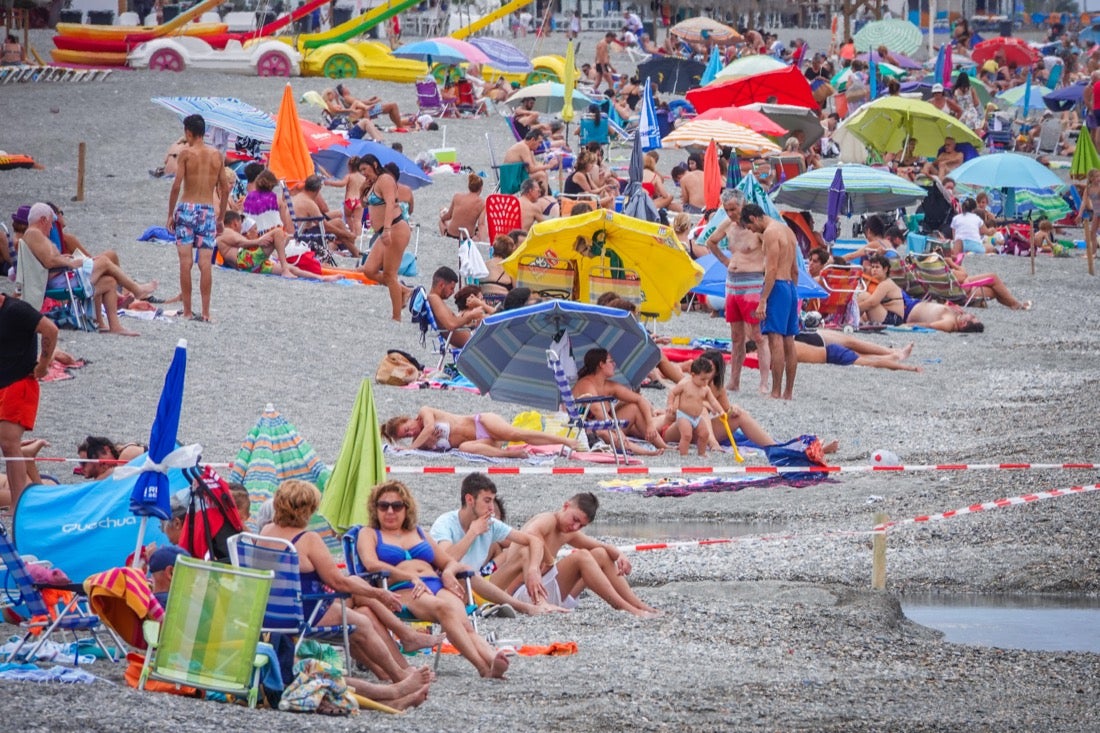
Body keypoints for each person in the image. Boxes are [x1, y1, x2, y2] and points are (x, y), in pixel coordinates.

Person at [261, 479, 435, 687]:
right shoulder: (307, 540)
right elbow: (337, 583)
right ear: (307, 509)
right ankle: (400, 676)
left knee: (359, 595)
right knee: (362, 621)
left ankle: (402, 648)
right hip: (305, 611)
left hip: (271, 611)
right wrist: (379, 593)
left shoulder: (266, 532)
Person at [357, 480, 511, 678]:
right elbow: (371, 564)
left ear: (406, 508)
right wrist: (410, 576)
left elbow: (449, 561)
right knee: (445, 609)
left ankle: (492, 659)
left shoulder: (418, 532)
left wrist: (447, 573)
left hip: (435, 585)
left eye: (396, 506)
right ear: (374, 508)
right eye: (383, 505)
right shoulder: (369, 533)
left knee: (464, 624)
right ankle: (482, 668)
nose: (389, 511)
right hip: (403, 589)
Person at [489, 492, 658, 618]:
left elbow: (600, 546)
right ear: (566, 506)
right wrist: (547, 560)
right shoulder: (548, 520)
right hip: (523, 592)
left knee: (599, 554)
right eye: (575, 519)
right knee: (582, 556)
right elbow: (532, 536)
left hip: (548, 588)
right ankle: (628, 609)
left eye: (581, 525)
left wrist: (620, 554)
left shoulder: (566, 531)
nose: (575, 527)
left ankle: (637, 603)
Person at [430, 473, 565, 616]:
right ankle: (522, 607)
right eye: (487, 501)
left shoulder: (491, 524)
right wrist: (472, 533)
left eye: (492, 501)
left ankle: (541, 603)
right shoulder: (445, 523)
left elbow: (534, 541)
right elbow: (445, 560)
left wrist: (533, 569)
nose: (492, 509)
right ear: (469, 499)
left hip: (476, 584)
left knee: (524, 553)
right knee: (465, 572)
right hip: (448, 587)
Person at [19, 205, 147, 336]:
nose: (51, 227)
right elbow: (49, 262)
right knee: (104, 261)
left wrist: (65, 258)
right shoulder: (34, 233)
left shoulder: (33, 235)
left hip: (61, 277)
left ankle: (113, 326)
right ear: (43, 220)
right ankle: (137, 290)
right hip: (60, 281)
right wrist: (71, 263)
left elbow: (47, 259)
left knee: (109, 281)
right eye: (51, 223)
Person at [705, 191, 769, 394]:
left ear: (743, 206)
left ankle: (764, 382)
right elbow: (711, 241)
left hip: (752, 281)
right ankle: (734, 380)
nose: (731, 214)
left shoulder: (758, 229)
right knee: (736, 336)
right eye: (727, 210)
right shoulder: (728, 224)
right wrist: (726, 262)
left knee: (757, 335)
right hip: (733, 283)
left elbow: (772, 252)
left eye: (733, 209)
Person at [0, 288, 56, 511]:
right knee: (8, 446)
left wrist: (43, 364)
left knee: (8, 443)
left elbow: (50, 330)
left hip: (19, 382)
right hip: (5, 381)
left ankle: (17, 506)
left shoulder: (16, 310)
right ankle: (19, 499)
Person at [168, 114, 227, 323]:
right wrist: (220, 217)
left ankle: (186, 311)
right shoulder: (217, 155)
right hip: (207, 210)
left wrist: (169, 214)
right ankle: (205, 313)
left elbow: (176, 186)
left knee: (185, 262)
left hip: (187, 207)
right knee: (205, 264)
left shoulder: (186, 154)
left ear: (188, 132)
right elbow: (225, 187)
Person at [743, 203, 799, 400]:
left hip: (777, 286)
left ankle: (775, 391)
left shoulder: (770, 233)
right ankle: (788, 392)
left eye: (750, 227)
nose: (752, 231)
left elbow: (772, 270)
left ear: (753, 218)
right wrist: (795, 294)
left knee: (775, 339)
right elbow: (795, 269)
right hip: (791, 286)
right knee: (789, 340)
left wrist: (763, 299)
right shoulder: (787, 230)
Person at [572, 349, 667, 455]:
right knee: (605, 433)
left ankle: (663, 446)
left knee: (634, 408)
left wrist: (650, 424)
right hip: (586, 431)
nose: (614, 364)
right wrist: (618, 431)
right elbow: (597, 411)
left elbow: (640, 399)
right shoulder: (586, 384)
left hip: (606, 426)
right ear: (601, 364)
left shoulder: (608, 385)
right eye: (611, 361)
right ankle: (646, 453)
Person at [382, 406, 578, 457]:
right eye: (406, 436)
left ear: (408, 419)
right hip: (482, 443)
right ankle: (510, 455)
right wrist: (428, 445)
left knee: (515, 434)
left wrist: (411, 449)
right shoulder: (421, 442)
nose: (411, 433)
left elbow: (431, 427)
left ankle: (564, 441)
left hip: (481, 423)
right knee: (465, 448)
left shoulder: (425, 413)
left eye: (407, 428)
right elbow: (439, 448)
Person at [359, 154, 412, 321]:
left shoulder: (385, 179)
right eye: (361, 171)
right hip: (384, 231)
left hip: (395, 227)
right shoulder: (372, 183)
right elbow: (364, 205)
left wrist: (387, 229)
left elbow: (390, 203)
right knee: (369, 270)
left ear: (374, 164)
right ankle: (402, 290)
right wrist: (362, 190)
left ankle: (396, 318)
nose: (363, 173)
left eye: (365, 169)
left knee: (390, 275)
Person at [217, 211, 336, 280]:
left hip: (247, 264)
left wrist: (283, 242)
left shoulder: (226, 235)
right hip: (245, 260)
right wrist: (258, 241)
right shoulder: (226, 232)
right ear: (235, 223)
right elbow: (241, 243)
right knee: (277, 232)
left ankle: (321, 278)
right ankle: (284, 269)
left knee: (292, 268)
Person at [662, 357, 725, 457]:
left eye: (707, 379)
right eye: (703, 379)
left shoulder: (705, 388)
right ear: (693, 375)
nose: (705, 382)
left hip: (697, 417)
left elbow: (713, 401)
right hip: (684, 415)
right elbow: (672, 393)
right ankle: (684, 454)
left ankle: (701, 453)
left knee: (705, 434)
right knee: (687, 435)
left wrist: (721, 411)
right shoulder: (685, 384)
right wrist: (670, 404)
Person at [292, 174, 360, 256]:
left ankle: (353, 251)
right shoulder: (309, 203)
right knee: (338, 223)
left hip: (296, 235)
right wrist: (346, 234)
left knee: (337, 223)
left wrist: (342, 234)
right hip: (303, 239)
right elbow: (324, 226)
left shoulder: (298, 197)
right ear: (318, 189)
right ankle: (353, 252)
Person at [793, 330, 921, 372]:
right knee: (861, 356)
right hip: (829, 352)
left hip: (830, 353)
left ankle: (894, 356)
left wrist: (907, 368)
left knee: (864, 359)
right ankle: (894, 356)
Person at [425, 265, 482, 348]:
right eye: (451, 288)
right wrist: (471, 315)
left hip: (471, 342)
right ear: (441, 285)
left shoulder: (435, 299)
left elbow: (452, 322)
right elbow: (451, 324)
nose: (453, 292)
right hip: (472, 346)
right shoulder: (434, 298)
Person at [945, 256, 1031, 309]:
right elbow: (964, 275)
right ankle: (1015, 303)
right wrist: (952, 263)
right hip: (961, 291)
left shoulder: (936, 271)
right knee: (993, 277)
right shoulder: (943, 268)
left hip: (955, 291)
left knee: (995, 290)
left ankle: (1013, 303)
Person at [323, 156, 367, 239]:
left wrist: (329, 183)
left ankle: (352, 233)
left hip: (349, 200)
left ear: (349, 166)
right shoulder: (363, 178)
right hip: (359, 201)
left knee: (348, 217)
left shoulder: (349, 176)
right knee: (358, 220)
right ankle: (359, 236)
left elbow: (342, 184)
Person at [75, 436, 144, 481]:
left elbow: (117, 472)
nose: (104, 467)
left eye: (84, 463)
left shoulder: (128, 452)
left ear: (106, 450)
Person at [439, 172, 485, 239]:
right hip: (467, 237)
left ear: (469, 186)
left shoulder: (457, 196)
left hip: (451, 235)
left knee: (441, 222)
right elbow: (481, 224)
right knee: (477, 230)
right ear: (481, 188)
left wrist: (442, 218)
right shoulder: (482, 203)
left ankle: (445, 236)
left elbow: (449, 216)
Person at [905, 300, 985, 332]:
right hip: (913, 303)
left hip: (907, 310)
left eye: (973, 317)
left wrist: (905, 326)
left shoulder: (949, 323)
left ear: (963, 323)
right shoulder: (956, 317)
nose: (972, 314)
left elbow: (929, 326)